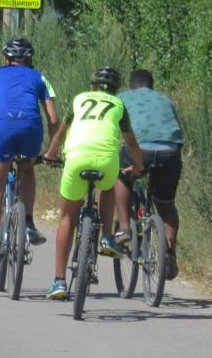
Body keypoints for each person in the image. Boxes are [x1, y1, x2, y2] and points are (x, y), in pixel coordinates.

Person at [42, 66, 143, 300]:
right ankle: (107, 236)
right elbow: (132, 143)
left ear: (92, 86)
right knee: (107, 186)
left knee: (67, 217)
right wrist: (138, 167)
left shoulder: (79, 100)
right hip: (107, 160)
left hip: (76, 158)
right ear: (116, 91)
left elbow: (61, 133)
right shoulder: (118, 106)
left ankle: (58, 281)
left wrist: (50, 154)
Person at [0, 37, 60, 279]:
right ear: (30, 60)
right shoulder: (39, 77)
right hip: (30, 129)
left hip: (1, 130)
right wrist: (51, 151)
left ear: (5, 59)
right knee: (27, 170)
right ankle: (27, 222)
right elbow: (53, 118)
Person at [114, 69, 184, 279]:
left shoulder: (122, 98)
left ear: (131, 85)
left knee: (123, 179)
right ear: (151, 85)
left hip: (140, 150)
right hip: (170, 152)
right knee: (166, 202)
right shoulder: (165, 100)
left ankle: (125, 227)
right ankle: (169, 253)